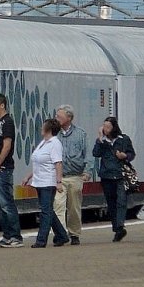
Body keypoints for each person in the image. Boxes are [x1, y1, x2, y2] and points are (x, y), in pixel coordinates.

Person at [21, 119, 70, 248]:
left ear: (48, 129)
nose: (41, 128)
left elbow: (58, 163)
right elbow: (38, 162)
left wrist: (58, 182)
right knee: (48, 210)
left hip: (48, 181)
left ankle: (41, 240)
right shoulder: (43, 143)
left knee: (45, 211)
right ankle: (62, 235)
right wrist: (29, 176)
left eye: (43, 126)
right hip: (39, 181)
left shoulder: (55, 143)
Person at [0, 93, 23, 248]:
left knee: (6, 203)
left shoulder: (7, 122)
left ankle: (15, 236)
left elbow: (7, 144)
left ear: (2, 105)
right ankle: (7, 235)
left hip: (3, 168)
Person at [93, 116, 136, 242]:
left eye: (108, 127)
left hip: (120, 175)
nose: (105, 129)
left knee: (121, 201)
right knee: (111, 203)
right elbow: (96, 153)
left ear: (114, 127)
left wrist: (125, 156)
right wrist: (100, 139)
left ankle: (120, 225)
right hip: (106, 175)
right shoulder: (102, 141)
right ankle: (117, 229)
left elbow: (132, 153)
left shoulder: (123, 139)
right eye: (104, 126)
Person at [53, 104, 88, 245]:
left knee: (74, 207)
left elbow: (87, 154)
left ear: (69, 117)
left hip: (75, 175)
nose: (56, 118)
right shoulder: (54, 133)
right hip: (59, 177)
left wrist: (87, 172)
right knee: (58, 205)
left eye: (59, 116)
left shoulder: (81, 134)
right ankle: (61, 234)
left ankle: (74, 233)